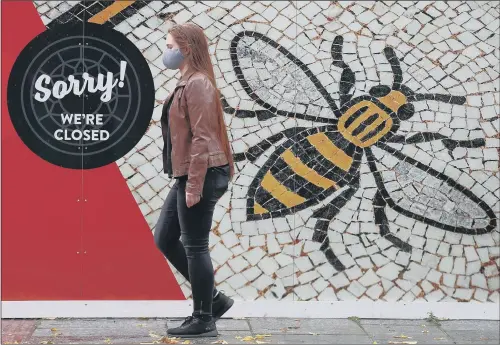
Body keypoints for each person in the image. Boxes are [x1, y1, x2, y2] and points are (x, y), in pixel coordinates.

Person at [154, 23, 235, 338]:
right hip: (189, 172)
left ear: (186, 48)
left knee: (195, 245)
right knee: (164, 238)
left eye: (170, 45)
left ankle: (203, 317)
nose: (167, 51)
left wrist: (194, 185)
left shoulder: (198, 83)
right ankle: (214, 300)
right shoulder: (187, 81)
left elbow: (203, 138)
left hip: (202, 172)